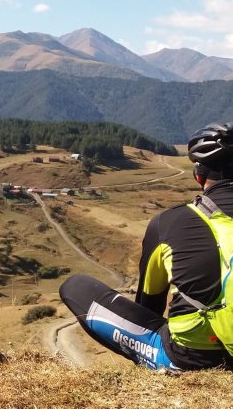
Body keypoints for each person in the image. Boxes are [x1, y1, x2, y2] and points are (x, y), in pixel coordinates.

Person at [60, 122, 233, 370]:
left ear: (199, 175)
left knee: (75, 286)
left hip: (191, 358)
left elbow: (148, 306)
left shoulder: (167, 223)